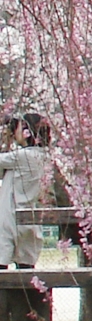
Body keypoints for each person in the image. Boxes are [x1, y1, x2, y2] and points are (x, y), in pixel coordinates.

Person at [0, 113, 51, 269]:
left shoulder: (23, 156)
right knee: (26, 267)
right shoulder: (43, 156)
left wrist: (5, 141)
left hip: (10, 216)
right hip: (30, 217)